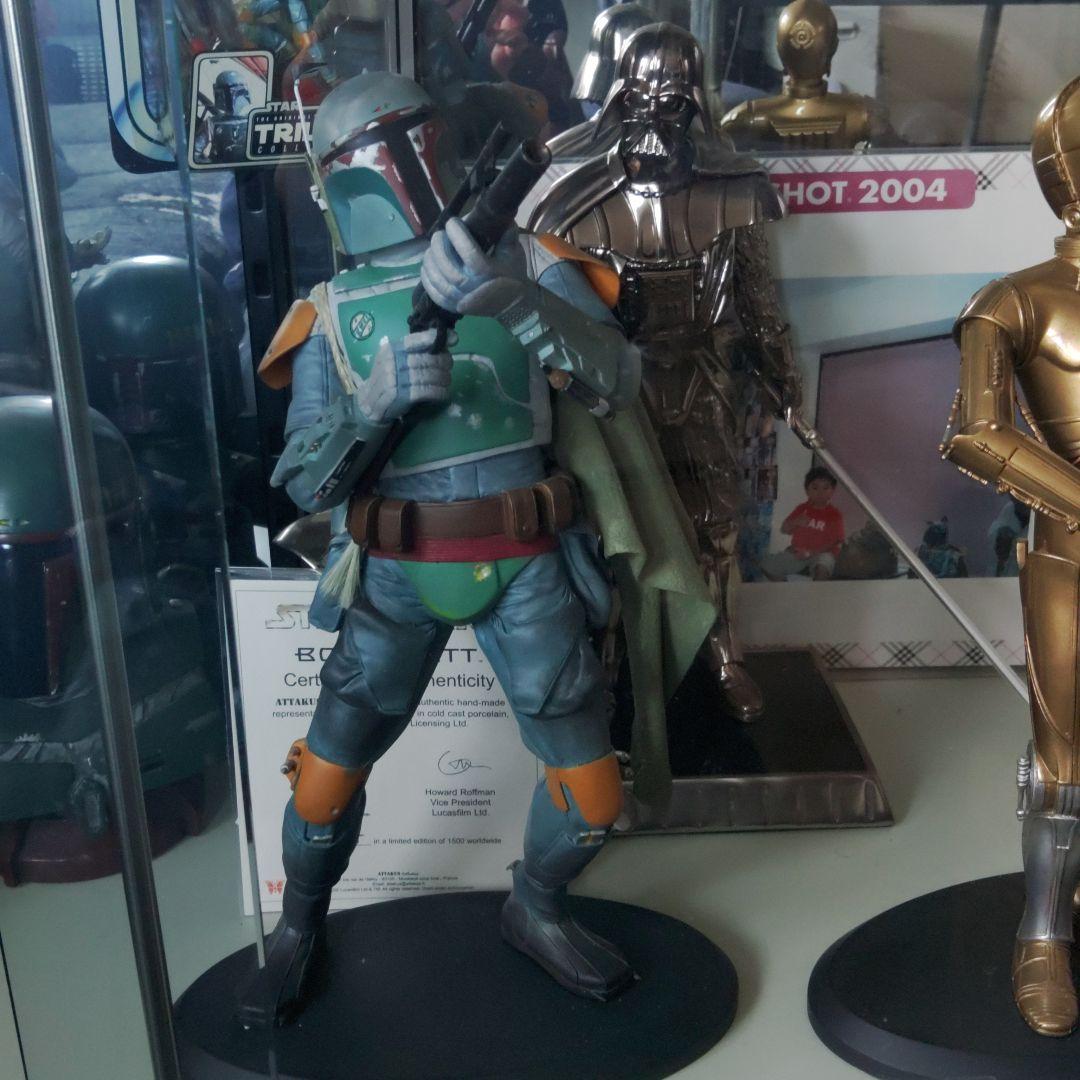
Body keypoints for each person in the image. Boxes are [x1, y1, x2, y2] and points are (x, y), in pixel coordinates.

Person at [239, 71, 642, 1027]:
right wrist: (371, 407)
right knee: (326, 778)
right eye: (368, 155)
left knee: (592, 794)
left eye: (407, 142)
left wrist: (512, 298)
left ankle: (536, 907)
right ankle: (299, 923)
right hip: (393, 571)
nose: (394, 169)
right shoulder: (332, 309)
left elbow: (618, 379)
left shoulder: (529, 260)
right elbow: (303, 479)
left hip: (526, 557)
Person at [760, 466, 844, 581]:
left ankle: (815, 592)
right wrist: (796, 522)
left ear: (832, 491)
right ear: (807, 490)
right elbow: (784, 529)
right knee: (766, 564)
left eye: (826, 488)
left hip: (821, 554)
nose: (821, 492)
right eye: (815, 488)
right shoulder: (802, 508)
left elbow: (836, 542)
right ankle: (788, 587)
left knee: (824, 565)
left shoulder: (835, 514)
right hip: (798, 553)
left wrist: (810, 553)